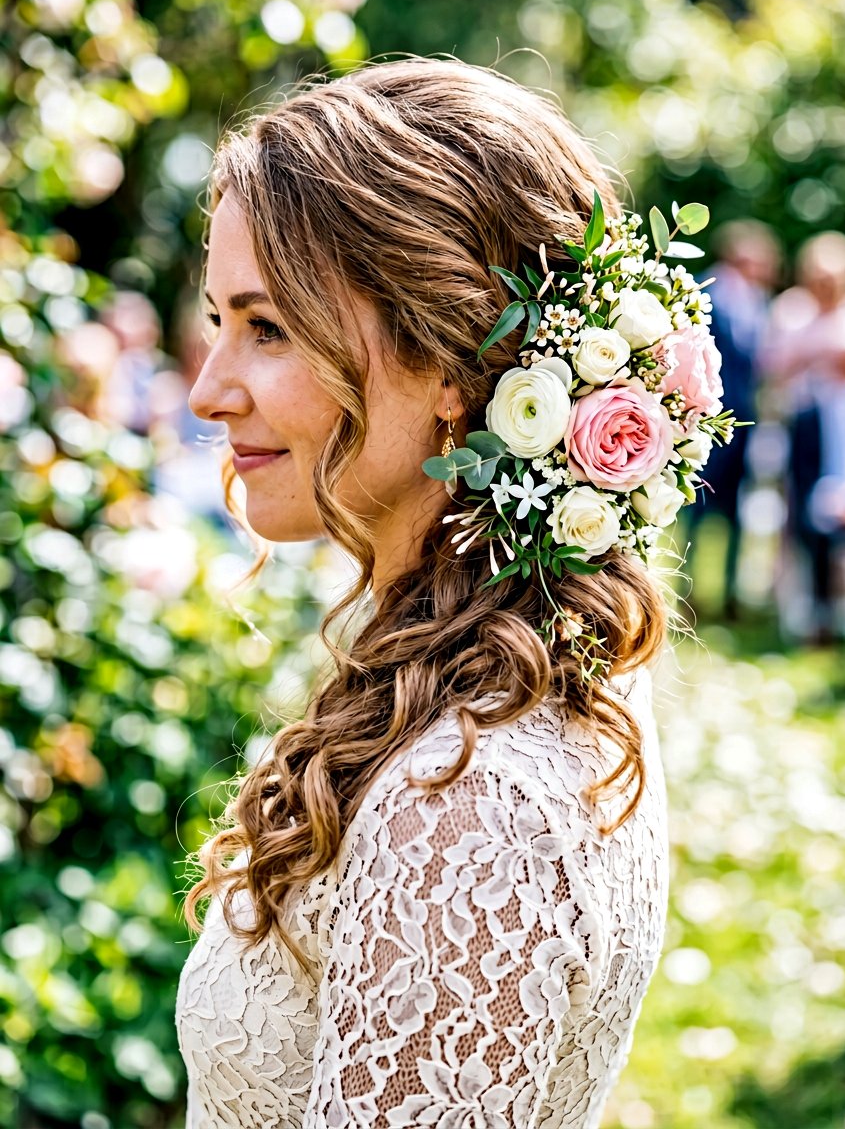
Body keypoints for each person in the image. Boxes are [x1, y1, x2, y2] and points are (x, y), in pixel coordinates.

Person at [176, 57, 673, 1128]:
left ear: (452, 359)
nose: (208, 388)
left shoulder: (468, 804)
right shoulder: (466, 678)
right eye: (219, 320)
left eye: (266, 328)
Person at [685, 219, 780, 619]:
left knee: (735, 509)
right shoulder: (709, 291)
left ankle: (729, 593)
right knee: (698, 506)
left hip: (745, 421)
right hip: (710, 418)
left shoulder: (758, 303)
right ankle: (688, 589)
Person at [761, 231, 845, 642]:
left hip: (842, 430)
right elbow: (771, 366)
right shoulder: (791, 311)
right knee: (802, 519)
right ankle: (807, 608)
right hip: (803, 429)